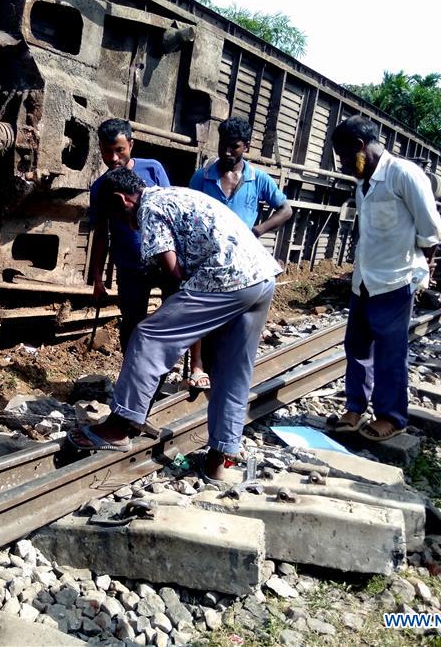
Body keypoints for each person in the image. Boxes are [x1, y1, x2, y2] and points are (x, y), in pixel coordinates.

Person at [68, 168, 281, 485]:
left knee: (150, 335)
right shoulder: (174, 195)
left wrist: (175, 315)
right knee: (230, 370)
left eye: (114, 215)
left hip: (227, 277)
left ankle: (118, 427)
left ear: (120, 200)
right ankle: (220, 461)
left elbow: (174, 271)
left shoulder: (148, 209)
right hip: (261, 278)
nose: (123, 225)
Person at [330, 116, 441, 443]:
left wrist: (424, 268)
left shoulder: (404, 174)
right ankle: (355, 406)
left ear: (360, 147)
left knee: (390, 353)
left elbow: (431, 231)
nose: (343, 164)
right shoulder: (363, 181)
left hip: (395, 281)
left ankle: (391, 417)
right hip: (364, 281)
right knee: (356, 347)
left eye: (344, 156)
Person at [88, 119, 208, 388]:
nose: (114, 158)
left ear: (131, 144)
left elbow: (170, 213)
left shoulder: (152, 169)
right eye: (107, 152)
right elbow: (100, 233)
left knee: (182, 312)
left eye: (119, 150)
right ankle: (132, 377)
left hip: (165, 261)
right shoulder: (100, 187)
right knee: (131, 323)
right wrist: (97, 277)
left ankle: (194, 367)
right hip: (130, 266)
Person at [190, 116, 293, 236]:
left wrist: (256, 231)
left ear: (246, 146)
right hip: (205, 250)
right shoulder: (201, 177)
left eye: (234, 147)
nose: (227, 152)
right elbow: (189, 213)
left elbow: (286, 210)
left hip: (240, 251)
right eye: (223, 145)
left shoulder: (258, 179)